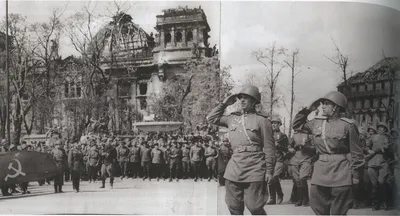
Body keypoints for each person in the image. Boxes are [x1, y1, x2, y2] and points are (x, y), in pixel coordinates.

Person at [292, 91, 364, 215]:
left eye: (326, 104)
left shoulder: (348, 125)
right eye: (322, 104)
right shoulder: (316, 123)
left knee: (339, 210)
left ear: (336, 107)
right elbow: (297, 125)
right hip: (320, 171)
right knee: (317, 205)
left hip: (341, 171)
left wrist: (356, 176)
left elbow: (357, 153)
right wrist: (308, 110)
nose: (323, 106)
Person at [207, 85, 275, 215]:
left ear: (254, 101)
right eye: (240, 98)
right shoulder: (232, 119)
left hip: (255, 166)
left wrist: (270, 171)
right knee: (234, 207)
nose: (242, 100)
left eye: (246, 98)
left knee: (254, 206)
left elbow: (269, 147)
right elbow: (211, 118)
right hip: (234, 168)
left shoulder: (262, 121)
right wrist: (224, 104)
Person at [366, 122, 392, 211]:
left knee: (382, 182)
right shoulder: (372, 137)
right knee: (374, 184)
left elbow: (387, 148)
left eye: (383, 128)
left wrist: (385, 148)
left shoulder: (386, 138)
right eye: (379, 127)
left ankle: (385, 202)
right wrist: (368, 150)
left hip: (383, 163)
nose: (380, 129)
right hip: (372, 163)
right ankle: (375, 203)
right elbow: (366, 147)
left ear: (385, 130)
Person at [287, 129, 316, 207]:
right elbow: (289, 145)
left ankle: (306, 198)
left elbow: (315, 147)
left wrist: (308, 147)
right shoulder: (295, 135)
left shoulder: (309, 134)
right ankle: (299, 199)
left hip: (306, 158)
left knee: (303, 177)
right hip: (295, 158)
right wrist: (290, 149)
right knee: (297, 180)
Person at [267, 116, 289, 205]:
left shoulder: (283, 136)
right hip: (269, 159)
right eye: (272, 123)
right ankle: (272, 198)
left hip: (279, 159)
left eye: (276, 123)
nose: (274, 125)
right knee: (269, 179)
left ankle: (280, 194)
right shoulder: (268, 135)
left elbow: (287, 148)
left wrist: (278, 146)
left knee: (275, 177)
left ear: (279, 124)